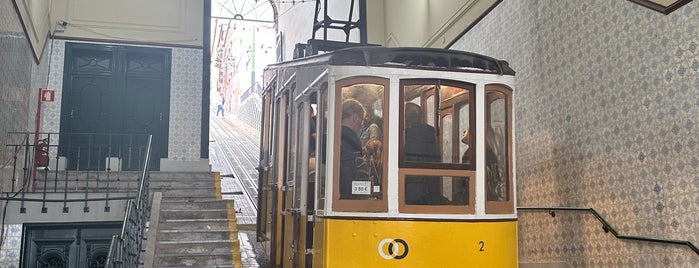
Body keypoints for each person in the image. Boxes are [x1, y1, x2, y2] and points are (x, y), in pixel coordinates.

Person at [339, 99, 366, 199]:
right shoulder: (351, 142)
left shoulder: (335, 137)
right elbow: (351, 173)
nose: (361, 126)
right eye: (361, 120)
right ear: (354, 117)